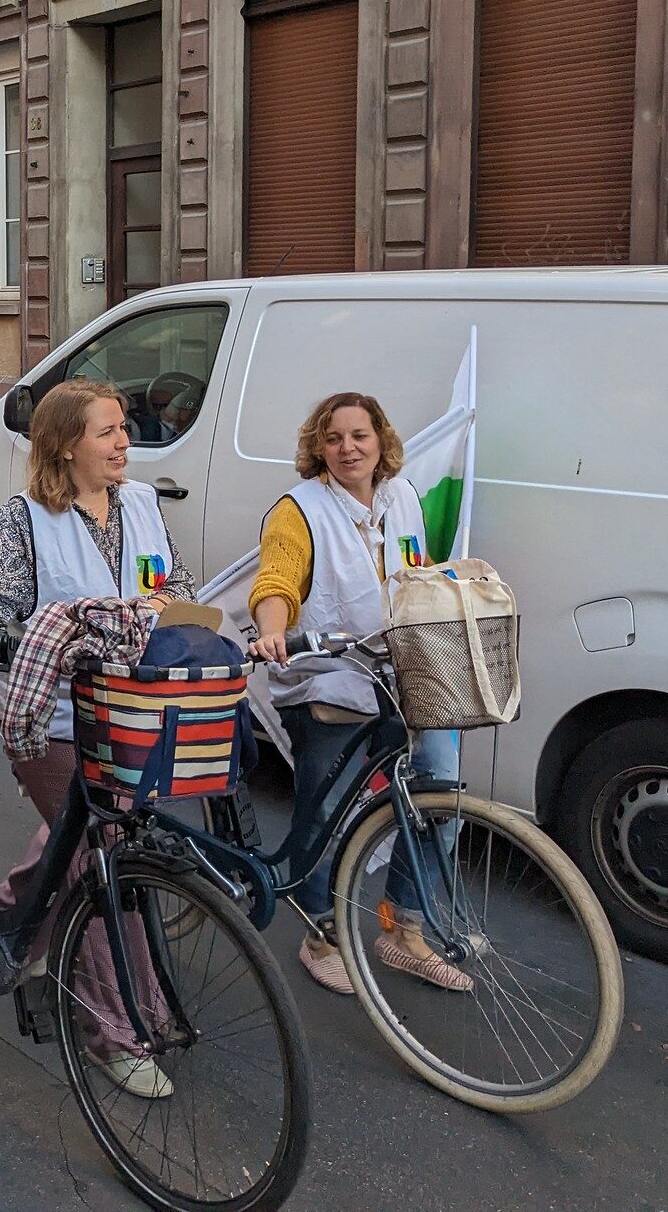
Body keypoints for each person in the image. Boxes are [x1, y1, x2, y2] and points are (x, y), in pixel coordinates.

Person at [0, 377, 192, 1098]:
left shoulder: (140, 504)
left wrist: (182, 613)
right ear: (65, 445)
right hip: (53, 722)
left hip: (129, 712)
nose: (123, 441)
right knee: (105, 851)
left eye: (123, 428)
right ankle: (117, 1031)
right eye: (107, 431)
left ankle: (16, 922)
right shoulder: (28, 519)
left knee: (77, 842)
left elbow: (172, 585)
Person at [246, 392, 466, 995]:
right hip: (329, 677)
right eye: (334, 437)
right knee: (330, 812)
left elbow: (419, 576)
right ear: (318, 447)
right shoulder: (300, 509)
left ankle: (402, 928)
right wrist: (271, 631)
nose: (348, 448)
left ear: (380, 441)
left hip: (407, 675)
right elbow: (277, 579)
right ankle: (323, 931)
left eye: (359, 436)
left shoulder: (404, 499)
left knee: (440, 794)